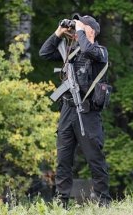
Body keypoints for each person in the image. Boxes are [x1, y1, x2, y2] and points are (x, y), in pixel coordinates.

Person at [38, 14, 111, 208]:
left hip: (88, 113)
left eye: (82, 26)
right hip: (67, 111)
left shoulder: (99, 52)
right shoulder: (71, 51)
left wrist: (80, 30)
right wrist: (59, 32)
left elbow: (88, 48)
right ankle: (61, 201)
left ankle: (104, 200)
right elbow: (44, 53)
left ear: (91, 31)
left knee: (95, 158)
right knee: (63, 159)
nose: (76, 28)